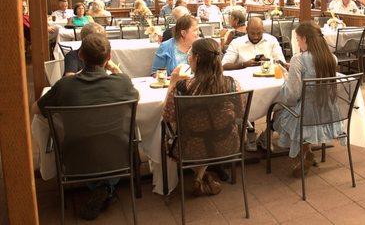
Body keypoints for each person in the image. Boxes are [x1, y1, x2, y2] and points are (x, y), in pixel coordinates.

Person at [31, 33, 139, 221]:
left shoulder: (65, 86)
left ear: (80, 56)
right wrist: (114, 69)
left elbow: (35, 109)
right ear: (109, 57)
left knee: (91, 144)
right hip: (119, 154)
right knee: (109, 144)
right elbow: (135, 96)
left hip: (76, 157)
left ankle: (100, 187)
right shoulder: (123, 83)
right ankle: (107, 187)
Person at [162, 38, 243, 196]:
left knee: (188, 134)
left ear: (197, 58)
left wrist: (172, 83)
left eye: (190, 54)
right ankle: (201, 176)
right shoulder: (233, 85)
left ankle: (199, 176)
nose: (188, 57)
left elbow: (167, 116)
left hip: (189, 148)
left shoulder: (182, 88)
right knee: (207, 132)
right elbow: (240, 113)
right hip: (227, 144)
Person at [272, 22, 347, 177]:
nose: (298, 44)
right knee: (302, 111)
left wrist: (287, 79)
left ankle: (304, 152)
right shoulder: (331, 58)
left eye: (298, 40)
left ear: (304, 39)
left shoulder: (298, 59)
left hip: (304, 117)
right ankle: (307, 150)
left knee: (276, 114)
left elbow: (293, 95)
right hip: (329, 113)